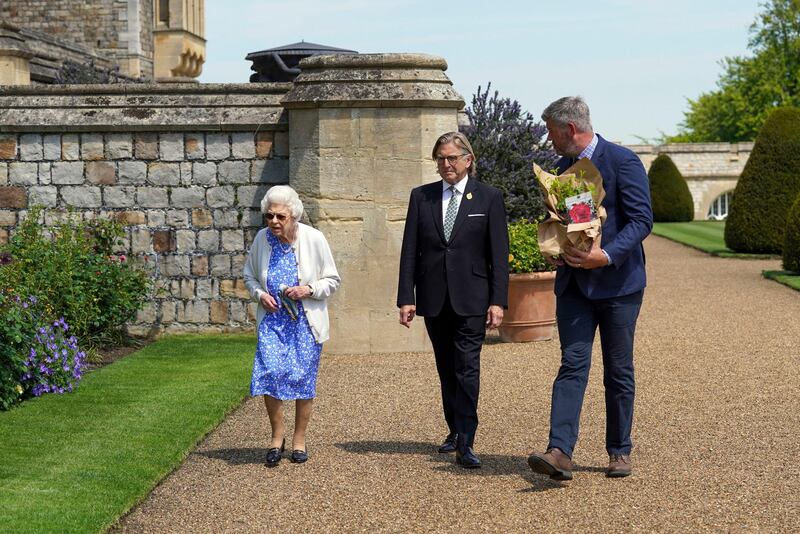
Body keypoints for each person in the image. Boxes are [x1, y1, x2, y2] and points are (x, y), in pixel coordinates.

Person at [527, 97, 653, 480]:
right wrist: (556, 248)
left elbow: (641, 220)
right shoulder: (562, 170)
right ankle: (560, 451)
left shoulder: (622, 161)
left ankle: (619, 451)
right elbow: (567, 222)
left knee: (618, 369)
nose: (548, 140)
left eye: (551, 132)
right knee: (572, 365)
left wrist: (607, 255)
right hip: (575, 288)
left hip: (619, 286)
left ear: (569, 129)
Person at [397, 131, 509, 469]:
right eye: (441, 159)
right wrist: (406, 297)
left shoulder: (488, 198)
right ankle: (454, 428)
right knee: (446, 368)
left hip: (473, 298)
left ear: (467, 160)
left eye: (451, 158)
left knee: (467, 367)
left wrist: (498, 301)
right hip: (434, 298)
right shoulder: (422, 197)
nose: (446, 164)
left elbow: (498, 255)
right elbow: (409, 252)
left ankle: (467, 439)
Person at [243, 185, 341, 467]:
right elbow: (249, 275)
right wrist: (260, 295)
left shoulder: (313, 239)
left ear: (294, 215)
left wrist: (308, 289)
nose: (274, 222)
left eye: (280, 217)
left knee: (302, 379)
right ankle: (277, 437)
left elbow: (332, 280)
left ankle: (299, 439)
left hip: (304, 324)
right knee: (270, 373)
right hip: (272, 320)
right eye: (269, 216)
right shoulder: (262, 239)